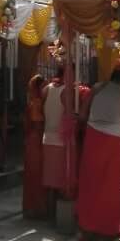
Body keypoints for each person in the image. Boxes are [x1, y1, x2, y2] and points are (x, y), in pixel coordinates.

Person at [77, 68, 120, 241]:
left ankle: (87, 227)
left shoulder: (97, 88)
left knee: (90, 182)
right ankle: (107, 229)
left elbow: (83, 112)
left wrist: (86, 124)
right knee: (110, 186)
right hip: (113, 142)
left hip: (93, 137)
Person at [22, 74, 48, 219]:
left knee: (32, 176)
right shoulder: (37, 104)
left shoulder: (33, 102)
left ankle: (31, 207)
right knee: (37, 176)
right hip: (36, 141)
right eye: (43, 86)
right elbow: (38, 125)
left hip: (32, 141)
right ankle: (37, 208)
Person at [41, 68, 68, 209]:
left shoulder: (46, 89)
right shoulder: (66, 91)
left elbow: (41, 109)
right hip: (60, 139)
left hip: (47, 137)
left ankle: (49, 208)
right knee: (59, 178)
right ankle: (56, 209)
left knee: (49, 177)